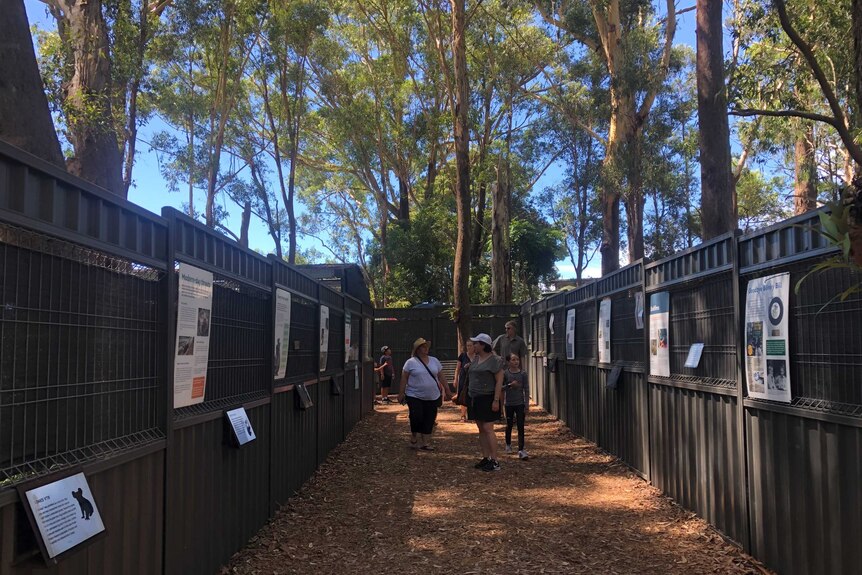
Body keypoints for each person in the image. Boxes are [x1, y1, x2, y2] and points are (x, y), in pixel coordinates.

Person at [398, 338, 450, 450]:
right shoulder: (410, 362)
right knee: (416, 415)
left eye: (426, 346)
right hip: (414, 395)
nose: (426, 348)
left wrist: (447, 389)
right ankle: (414, 435)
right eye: (423, 346)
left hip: (432, 395)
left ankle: (425, 442)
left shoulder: (434, 360)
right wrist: (401, 393)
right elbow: (404, 378)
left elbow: (441, 376)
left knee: (429, 418)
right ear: (417, 349)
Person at [466, 333, 505, 472]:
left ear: (483, 345)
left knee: (488, 429)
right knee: (481, 429)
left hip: (487, 397)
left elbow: (499, 381)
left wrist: (496, 400)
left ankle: (495, 460)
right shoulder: (476, 359)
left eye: (476, 343)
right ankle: (486, 457)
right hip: (474, 397)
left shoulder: (495, 360)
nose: (474, 346)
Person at [503, 353, 530, 459]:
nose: (516, 362)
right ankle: (508, 444)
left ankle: (521, 449)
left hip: (520, 403)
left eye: (517, 359)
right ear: (508, 362)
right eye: (513, 360)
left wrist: (526, 405)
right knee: (509, 424)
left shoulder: (523, 374)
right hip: (509, 403)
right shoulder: (505, 373)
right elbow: (501, 387)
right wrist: (510, 385)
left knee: (520, 425)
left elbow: (526, 389)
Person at [452, 340, 474, 422]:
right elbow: (457, 369)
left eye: (470, 345)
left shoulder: (477, 356)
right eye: (467, 345)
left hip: (474, 379)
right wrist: (455, 379)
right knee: (463, 396)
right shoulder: (462, 356)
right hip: (463, 379)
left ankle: (473, 415)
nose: (469, 347)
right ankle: (463, 415)